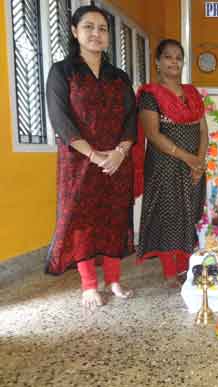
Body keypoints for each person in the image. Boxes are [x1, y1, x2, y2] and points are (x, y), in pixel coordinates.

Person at [45, 5, 136, 309]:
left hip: (117, 162)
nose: (96, 33)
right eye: (88, 27)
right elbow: (60, 119)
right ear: (75, 31)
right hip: (79, 162)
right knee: (83, 221)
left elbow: (131, 118)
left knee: (114, 218)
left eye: (102, 28)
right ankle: (88, 285)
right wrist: (94, 155)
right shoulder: (62, 72)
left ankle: (113, 279)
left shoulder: (119, 77)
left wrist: (120, 152)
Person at [133, 39, 207, 288]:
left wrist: (199, 162)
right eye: (168, 56)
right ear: (157, 62)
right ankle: (169, 272)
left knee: (190, 214)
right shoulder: (150, 95)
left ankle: (186, 268)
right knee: (168, 216)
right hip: (164, 166)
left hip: (193, 166)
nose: (174, 61)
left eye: (178, 57)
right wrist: (189, 158)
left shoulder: (192, 93)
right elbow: (153, 135)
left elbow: (203, 130)